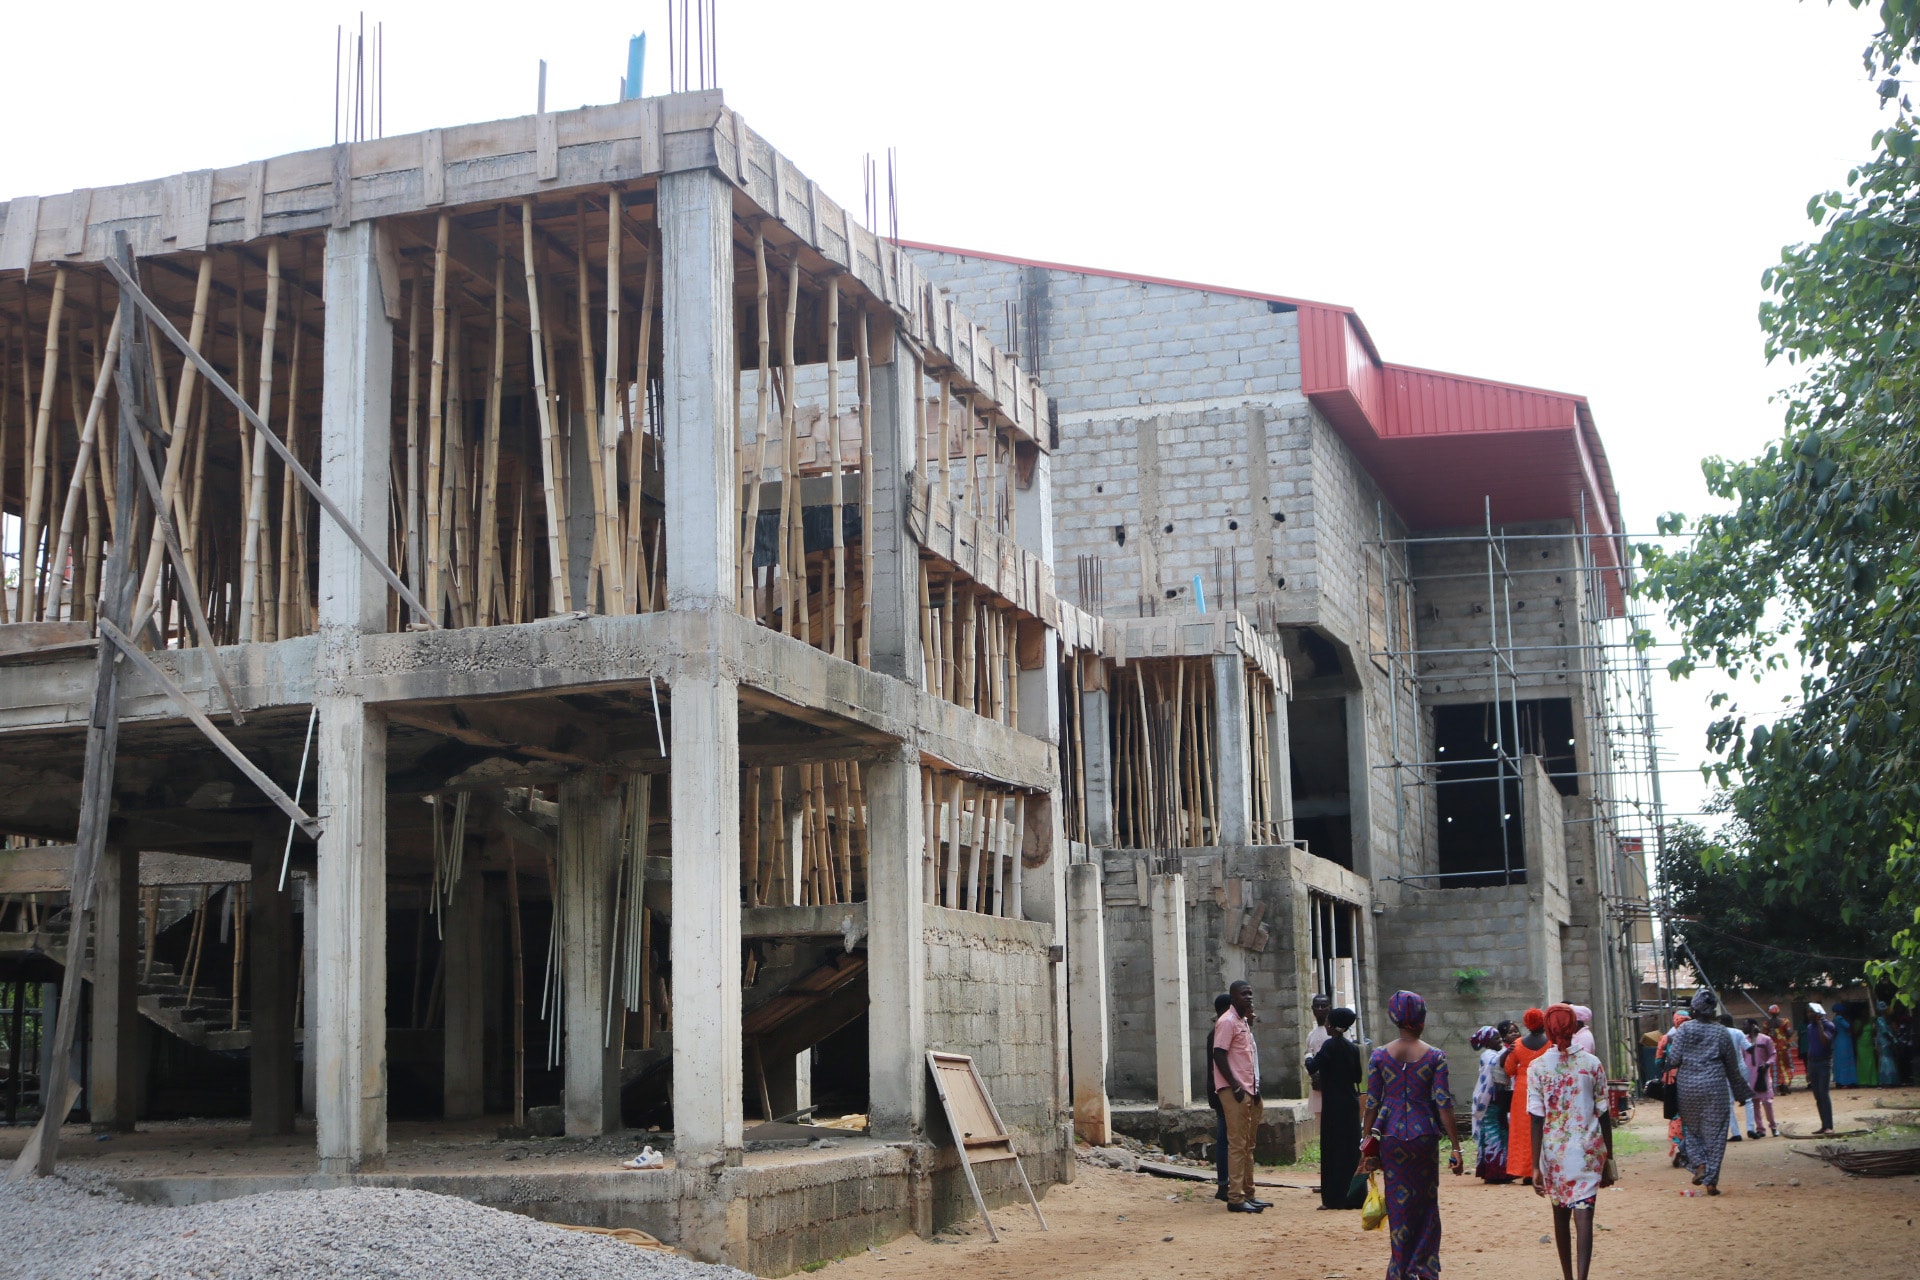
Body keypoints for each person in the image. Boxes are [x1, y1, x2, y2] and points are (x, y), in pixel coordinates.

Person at [1361, 990, 1461, 1279]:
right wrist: (1456, 1148)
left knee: (1398, 1205)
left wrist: (1366, 1143)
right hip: (1423, 1137)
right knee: (1426, 1204)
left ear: (1394, 1018)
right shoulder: (1435, 1057)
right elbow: (1443, 1103)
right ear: (1422, 1018)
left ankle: (1400, 1269)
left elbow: (1372, 1103)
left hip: (1391, 1138)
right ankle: (1424, 1267)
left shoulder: (1379, 1055)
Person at [1528, 1004, 1614, 1280]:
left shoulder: (1537, 1067)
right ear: (1574, 1025)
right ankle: (1582, 1277)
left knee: (1560, 1214)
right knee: (1585, 1213)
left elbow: (1536, 1118)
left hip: (1554, 1152)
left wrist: (1534, 1166)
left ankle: (1567, 1276)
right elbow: (1604, 1114)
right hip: (1588, 1149)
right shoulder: (1592, 1064)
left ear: (1548, 1029)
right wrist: (1609, 1157)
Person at [1664, 990, 1753, 1193]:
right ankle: (1711, 1182)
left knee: (1693, 1131)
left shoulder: (1685, 1030)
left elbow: (1674, 1059)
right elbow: (1732, 1066)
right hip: (1715, 1090)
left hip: (1688, 1089)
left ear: (1694, 1008)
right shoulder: (1721, 1032)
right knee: (1717, 1135)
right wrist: (1741, 1094)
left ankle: (1700, 1165)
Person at [1211, 980, 1267, 1214]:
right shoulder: (1227, 1022)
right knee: (1237, 1145)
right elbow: (1219, 1053)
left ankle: (1249, 1193)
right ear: (1233, 998)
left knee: (1249, 1146)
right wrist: (1234, 1086)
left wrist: (1254, 1089)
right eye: (1244, 994)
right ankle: (1235, 1197)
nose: (1249, 998)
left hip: (1250, 1091)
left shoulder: (1244, 1022)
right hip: (1235, 1091)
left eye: (1251, 993)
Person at [1306, 1006, 1366, 1210]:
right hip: (1349, 1105)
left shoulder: (1329, 1046)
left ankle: (1333, 1198)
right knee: (1351, 1152)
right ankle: (1356, 1197)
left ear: (1331, 1025)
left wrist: (1307, 1057)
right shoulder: (1353, 1048)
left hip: (1333, 1105)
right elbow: (1357, 1077)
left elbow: (1313, 1066)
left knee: (1332, 1151)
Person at [1504, 1008, 1549, 1183]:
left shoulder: (1518, 1045)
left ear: (1526, 1024)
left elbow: (1509, 1070)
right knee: (1544, 1128)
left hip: (1523, 1090)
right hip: (1545, 1087)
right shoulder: (1551, 1043)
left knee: (1523, 1131)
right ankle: (1543, 1168)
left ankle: (1526, 1171)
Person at [1469, 1025, 1515, 1184]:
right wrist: (1509, 1051)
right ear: (1487, 1043)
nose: (1500, 1040)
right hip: (1488, 1103)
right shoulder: (1487, 1055)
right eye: (1496, 1038)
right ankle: (1494, 1172)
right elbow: (1496, 1063)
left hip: (1498, 1100)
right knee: (1492, 1136)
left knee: (1501, 1134)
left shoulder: (1497, 1052)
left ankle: (1502, 1170)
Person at [1207, 992, 1232, 1201]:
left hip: (1219, 1091)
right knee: (1226, 1140)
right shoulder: (1219, 1032)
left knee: (1227, 1139)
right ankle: (1224, 1184)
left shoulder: (1215, 1032)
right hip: (1223, 1092)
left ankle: (1226, 1182)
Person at [1654, 1011, 1687, 1165]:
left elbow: (1658, 1062)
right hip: (1692, 1081)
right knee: (1692, 1115)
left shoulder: (1666, 1039)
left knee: (1675, 1114)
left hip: (1671, 1081)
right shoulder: (1694, 1038)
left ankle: (1677, 1144)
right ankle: (1691, 1149)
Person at [1802, 1002, 1838, 1134]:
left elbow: (1825, 1041)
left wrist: (1820, 1025)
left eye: (1812, 1012)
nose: (1809, 1014)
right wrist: (1808, 1069)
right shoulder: (1810, 1027)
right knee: (1817, 1095)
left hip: (1824, 1062)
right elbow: (1811, 1047)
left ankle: (1829, 1126)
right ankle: (1824, 1125)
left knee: (1824, 1094)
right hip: (1813, 1063)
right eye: (1808, 1012)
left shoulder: (1828, 1025)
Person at [1743, 1018, 1778, 1137]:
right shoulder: (1744, 1040)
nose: (1744, 1027)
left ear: (1753, 1026)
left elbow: (1773, 1054)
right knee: (1754, 1103)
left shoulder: (1766, 1039)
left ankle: (1773, 1126)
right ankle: (1760, 1128)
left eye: (1746, 1025)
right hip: (1750, 1074)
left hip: (1763, 1074)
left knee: (1767, 1101)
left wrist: (1767, 1063)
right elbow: (1743, 1057)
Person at [1722, 1016, 1753, 1141]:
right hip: (1741, 1069)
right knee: (1749, 1100)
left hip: (1726, 1071)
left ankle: (1736, 1133)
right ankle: (1751, 1128)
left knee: (1729, 1103)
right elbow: (1750, 1049)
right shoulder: (1738, 1033)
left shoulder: (1720, 1033)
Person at [1307, 993, 1332, 1120]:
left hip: (1333, 1084)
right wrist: (1313, 1075)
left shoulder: (1336, 1033)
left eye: (1324, 1006)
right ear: (1312, 1009)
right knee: (1321, 1122)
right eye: (1317, 1006)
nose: (1320, 1009)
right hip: (1317, 1084)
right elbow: (1308, 1057)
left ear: (1330, 1008)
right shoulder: (1311, 1035)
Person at [1769, 1005, 1795, 1093]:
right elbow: (1789, 1032)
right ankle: (1785, 1084)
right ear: (1778, 1012)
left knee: (1776, 1067)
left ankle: (1779, 1085)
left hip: (1773, 1047)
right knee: (1787, 1066)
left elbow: (1765, 1035)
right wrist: (1786, 1039)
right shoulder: (1784, 1021)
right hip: (1784, 1046)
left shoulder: (1767, 1023)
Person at [1831, 1002, 1858, 1087]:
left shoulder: (1835, 1019)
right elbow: (1848, 1026)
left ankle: (1839, 1080)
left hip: (1839, 1040)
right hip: (1844, 1040)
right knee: (1846, 1060)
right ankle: (1848, 1081)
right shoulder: (1840, 1018)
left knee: (1840, 1061)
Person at [1856, 1006, 1880, 1087]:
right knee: (1863, 1064)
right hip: (1861, 1045)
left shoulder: (1870, 1020)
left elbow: (1877, 1016)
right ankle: (1863, 1082)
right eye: (1864, 1012)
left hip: (1869, 1045)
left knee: (1871, 1063)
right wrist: (1862, 1025)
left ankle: (1872, 1082)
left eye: (1867, 1012)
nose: (1865, 1014)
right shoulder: (1857, 1022)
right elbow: (1856, 1034)